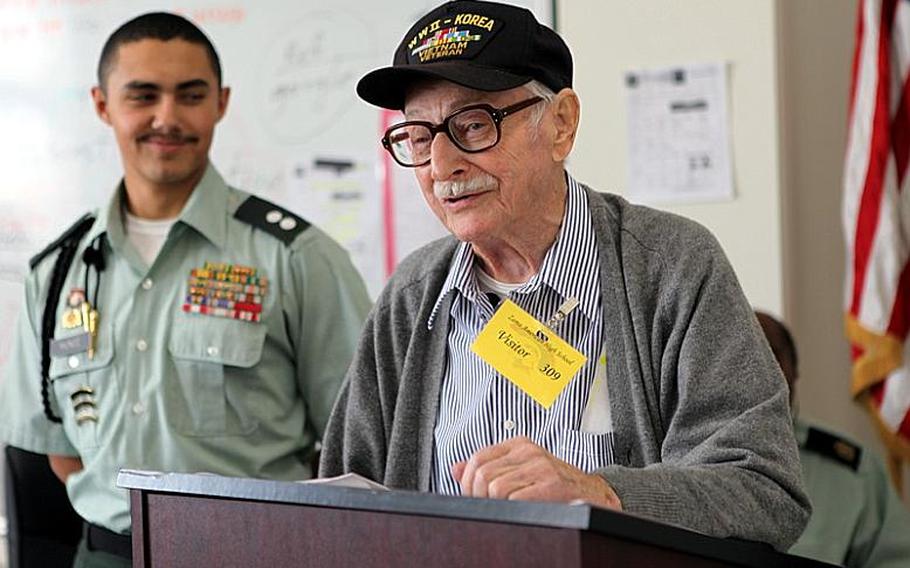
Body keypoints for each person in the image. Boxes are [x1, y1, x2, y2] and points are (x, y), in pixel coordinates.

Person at [320, 0, 809, 550]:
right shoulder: (412, 298)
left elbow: (764, 491)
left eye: (473, 125)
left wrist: (601, 493)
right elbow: (339, 502)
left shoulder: (672, 266)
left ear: (561, 123)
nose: (440, 166)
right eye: (416, 136)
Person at [0, 12, 371, 567]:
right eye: (142, 95)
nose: (166, 117)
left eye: (190, 95)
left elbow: (357, 450)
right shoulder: (56, 273)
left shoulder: (297, 258)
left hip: (259, 554)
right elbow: (60, 454)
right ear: (103, 104)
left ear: (220, 103)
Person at [756, 311, 910, 567]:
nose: (755, 368)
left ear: (795, 372)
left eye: (771, 353)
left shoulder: (854, 471)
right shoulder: (680, 463)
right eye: (740, 356)